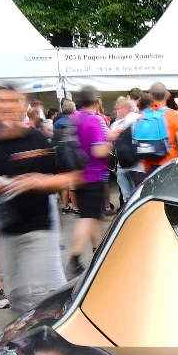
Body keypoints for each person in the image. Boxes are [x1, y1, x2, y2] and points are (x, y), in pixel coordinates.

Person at [0, 84, 80, 313]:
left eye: (12, 101)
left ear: (22, 106)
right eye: (0, 101)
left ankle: (54, 338)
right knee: (18, 296)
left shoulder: (36, 138)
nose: (6, 106)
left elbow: (71, 178)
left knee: (49, 294)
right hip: (8, 228)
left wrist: (38, 181)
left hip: (39, 226)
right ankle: (24, 343)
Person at [68, 85, 112, 272]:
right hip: (93, 174)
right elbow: (99, 150)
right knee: (87, 217)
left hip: (78, 174)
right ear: (97, 100)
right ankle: (75, 257)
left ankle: (98, 252)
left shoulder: (74, 118)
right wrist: (111, 139)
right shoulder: (93, 120)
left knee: (94, 216)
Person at [137, 82, 178, 170]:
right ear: (168, 95)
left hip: (148, 164)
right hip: (168, 163)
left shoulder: (143, 115)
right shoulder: (174, 115)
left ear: (150, 96)